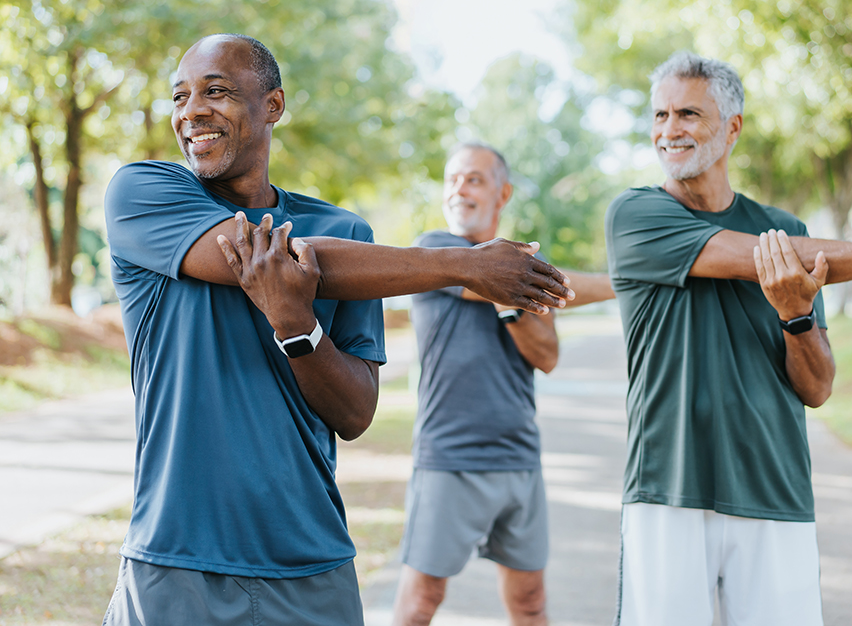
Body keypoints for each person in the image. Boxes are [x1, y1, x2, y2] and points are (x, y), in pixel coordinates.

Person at [101, 34, 573, 626]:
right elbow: (267, 257)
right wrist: (463, 263)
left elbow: (353, 415)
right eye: (180, 96)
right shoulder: (145, 194)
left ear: (271, 105)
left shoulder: (346, 231)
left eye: (216, 91)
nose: (192, 110)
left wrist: (298, 327)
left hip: (313, 564)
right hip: (177, 560)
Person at [604, 51, 852, 626]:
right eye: (660, 115)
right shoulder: (636, 216)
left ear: (732, 126)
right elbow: (762, 259)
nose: (670, 130)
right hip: (669, 486)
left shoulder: (788, 229)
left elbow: (816, 389)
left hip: (774, 487)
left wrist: (796, 317)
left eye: (688, 113)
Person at [391, 143, 614, 626]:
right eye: (452, 179)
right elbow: (498, 280)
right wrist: (622, 282)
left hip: (518, 458)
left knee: (531, 604)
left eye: (473, 179)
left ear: (503, 193)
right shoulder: (432, 250)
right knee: (419, 604)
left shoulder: (525, 268)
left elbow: (547, 357)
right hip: (449, 459)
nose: (459, 189)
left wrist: (511, 301)